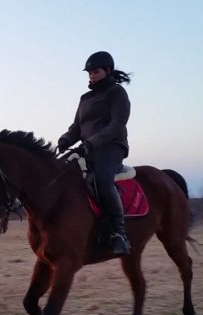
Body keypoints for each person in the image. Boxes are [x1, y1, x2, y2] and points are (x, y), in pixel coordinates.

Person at [57, 51, 132, 256]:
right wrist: (64, 140)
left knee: (101, 179)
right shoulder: (85, 98)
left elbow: (117, 124)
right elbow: (76, 127)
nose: (91, 76)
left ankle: (119, 233)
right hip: (88, 148)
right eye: (89, 73)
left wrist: (91, 143)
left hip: (112, 147)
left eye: (95, 72)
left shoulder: (117, 93)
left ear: (107, 71)